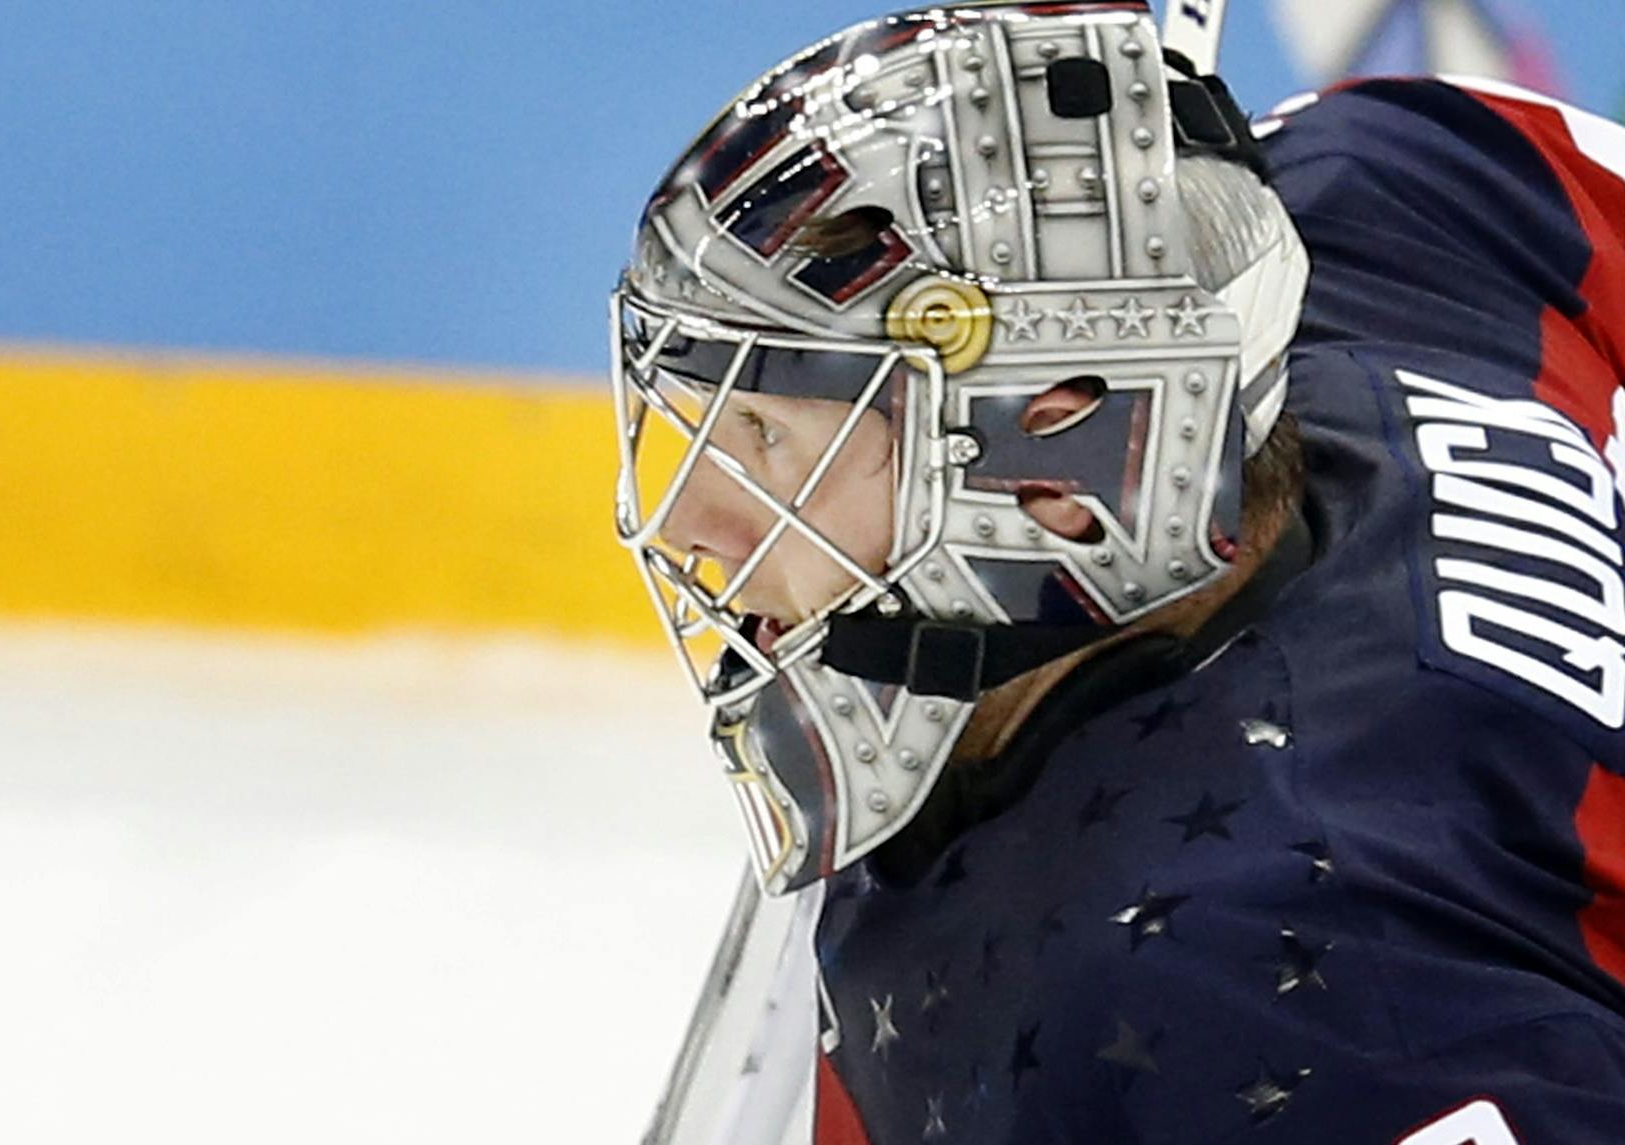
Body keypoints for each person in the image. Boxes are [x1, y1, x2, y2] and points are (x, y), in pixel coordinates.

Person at [610, 2, 1625, 1141]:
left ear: (1056, 476)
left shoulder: (1255, 1008)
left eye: (766, 439)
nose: (689, 522)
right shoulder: (1413, 199)